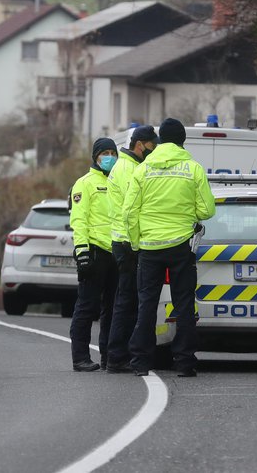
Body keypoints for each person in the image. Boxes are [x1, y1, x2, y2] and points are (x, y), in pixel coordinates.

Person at [124, 118, 215, 378]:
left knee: (147, 305)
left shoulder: (143, 169)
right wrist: (189, 214)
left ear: (161, 140)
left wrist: (135, 243)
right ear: (183, 140)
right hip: (180, 247)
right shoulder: (193, 168)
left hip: (149, 248)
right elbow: (207, 210)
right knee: (184, 305)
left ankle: (141, 361)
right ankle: (185, 362)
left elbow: (130, 211)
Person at [105, 125, 158, 373]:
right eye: (151, 146)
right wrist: (137, 243)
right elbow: (131, 210)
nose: (154, 150)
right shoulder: (128, 169)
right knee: (126, 301)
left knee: (128, 300)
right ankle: (117, 356)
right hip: (127, 243)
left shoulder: (130, 166)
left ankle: (118, 354)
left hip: (125, 241)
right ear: (140, 145)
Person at [68, 137, 119, 372]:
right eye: (104, 153)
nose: (109, 157)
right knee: (86, 307)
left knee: (112, 307)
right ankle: (80, 357)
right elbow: (79, 221)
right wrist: (82, 253)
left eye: (112, 152)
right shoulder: (84, 184)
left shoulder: (119, 182)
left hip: (116, 252)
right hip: (95, 252)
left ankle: (110, 356)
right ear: (95, 157)